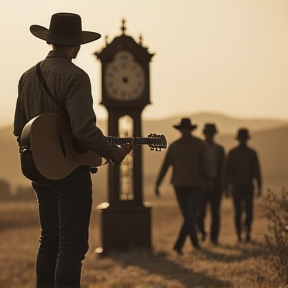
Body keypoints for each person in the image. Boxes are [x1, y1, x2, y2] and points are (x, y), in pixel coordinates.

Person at [13, 13, 132, 288]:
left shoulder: (27, 77)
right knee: (71, 247)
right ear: (76, 45)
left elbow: (20, 129)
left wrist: (48, 151)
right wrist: (113, 152)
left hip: (39, 171)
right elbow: (83, 130)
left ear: (51, 41)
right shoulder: (76, 77)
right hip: (70, 176)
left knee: (48, 242)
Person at [155, 118, 212, 255]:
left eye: (187, 129)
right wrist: (158, 183)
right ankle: (195, 243)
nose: (185, 131)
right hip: (179, 185)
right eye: (183, 129)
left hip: (196, 184)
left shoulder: (199, 144)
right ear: (180, 130)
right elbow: (165, 165)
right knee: (188, 216)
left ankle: (178, 245)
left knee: (190, 215)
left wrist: (209, 180)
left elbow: (206, 164)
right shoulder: (174, 146)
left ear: (190, 130)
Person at [225, 128, 262, 243]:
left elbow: (257, 171)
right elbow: (227, 172)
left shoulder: (252, 153)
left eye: (244, 138)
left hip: (247, 185)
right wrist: (226, 188)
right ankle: (239, 235)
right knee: (238, 211)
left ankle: (247, 232)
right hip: (236, 185)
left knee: (249, 211)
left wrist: (259, 187)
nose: (242, 140)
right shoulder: (232, 153)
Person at [197, 123, 225, 245]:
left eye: (211, 133)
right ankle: (202, 231)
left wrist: (221, 183)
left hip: (216, 185)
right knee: (201, 212)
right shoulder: (199, 148)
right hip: (202, 185)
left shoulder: (219, 149)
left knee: (215, 212)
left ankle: (214, 238)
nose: (210, 136)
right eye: (208, 133)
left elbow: (223, 168)